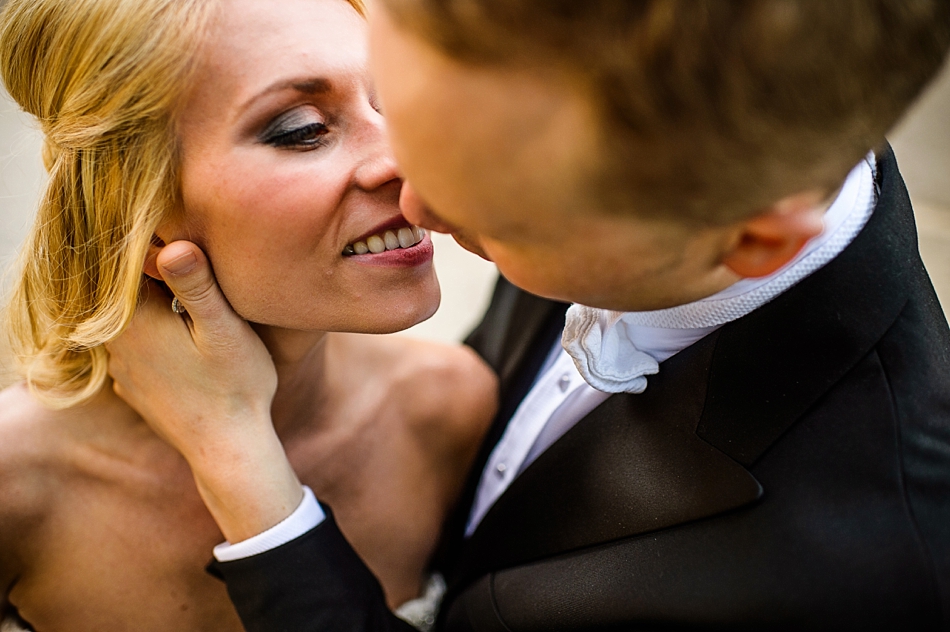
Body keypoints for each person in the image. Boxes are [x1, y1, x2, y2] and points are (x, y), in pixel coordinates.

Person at [106, 0, 950, 630]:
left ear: (754, 235)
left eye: (492, 213)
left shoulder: (858, 579)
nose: (411, 203)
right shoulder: (593, 145)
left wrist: (236, 454)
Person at [0, 0, 498, 629]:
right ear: (137, 208)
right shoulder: (15, 483)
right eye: (302, 128)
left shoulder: (447, 409)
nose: (405, 161)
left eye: (394, 100)